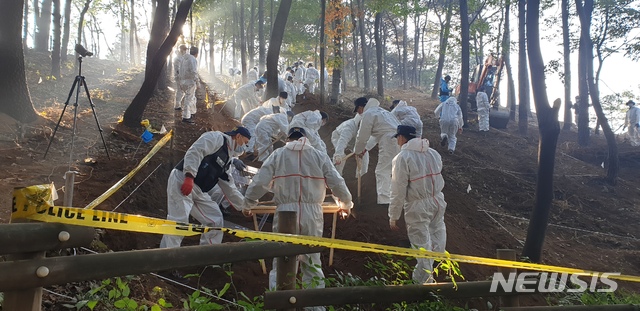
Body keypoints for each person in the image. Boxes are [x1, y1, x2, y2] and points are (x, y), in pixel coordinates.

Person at [244, 127, 353, 308]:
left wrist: (248, 203)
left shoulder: (279, 155)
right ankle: (315, 307)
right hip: (312, 214)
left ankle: (281, 306)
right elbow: (336, 181)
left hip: (286, 212)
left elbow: (260, 181)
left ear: (288, 139)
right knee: (312, 263)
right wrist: (346, 204)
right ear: (305, 138)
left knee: (282, 263)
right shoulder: (318, 155)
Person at [159, 127, 252, 249]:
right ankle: (166, 258)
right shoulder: (216, 138)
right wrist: (189, 175)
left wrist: (244, 206)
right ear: (238, 136)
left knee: (215, 220)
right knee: (179, 221)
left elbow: (230, 187)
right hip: (182, 180)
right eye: (245, 143)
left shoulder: (227, 161)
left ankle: (207, 255)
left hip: (198, 189)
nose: (244, 148)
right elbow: (196, 151)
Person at [388, 125, 446, 284]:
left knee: (422, 247)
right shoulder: (434, 153)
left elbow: (398, 189)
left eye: (397, 138)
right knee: (437, 240)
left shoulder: (402, 158)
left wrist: (393, 215)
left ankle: (422, 286)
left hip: (417, 207)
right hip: (438, 202)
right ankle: (434, 275)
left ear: (401, 138)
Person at [353, 97, 400, 205]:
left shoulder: (368, 114)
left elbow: (362, 136)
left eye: (358, 111)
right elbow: (376, 135)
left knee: (382, 171)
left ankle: (385, 202)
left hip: (389, 140)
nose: (359, 113)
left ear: (361, 107)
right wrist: (365, 149)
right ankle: (396, 198)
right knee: (395, 170)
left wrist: (358, 151)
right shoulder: (384, 112)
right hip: (400, 140)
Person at [177, 46, 199, 124]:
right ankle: (186, 117)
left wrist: (180, 81)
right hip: (190, 82)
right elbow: (194, 72)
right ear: (197, 53)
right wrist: (197, 82)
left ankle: (192, 112)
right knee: (188, 99)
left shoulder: (183, 59)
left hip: (183, 81)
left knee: (192, 98)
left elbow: (180, 70)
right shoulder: (193, 59)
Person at [173, 44, 188, 111]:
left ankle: (178, 104)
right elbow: (177, 69)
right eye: (184, 49)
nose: (185, 51)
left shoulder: (183, 57)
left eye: (185, 49)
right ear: (181, 49)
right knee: (180, 90)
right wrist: (181, 75)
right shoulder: (177, 58)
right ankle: (177, 105)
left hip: (183, 77)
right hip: (179, 77)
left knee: (182, 91)